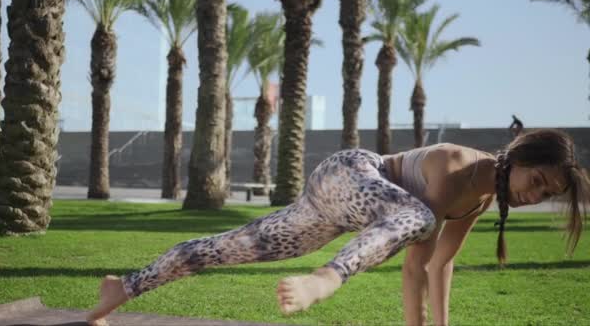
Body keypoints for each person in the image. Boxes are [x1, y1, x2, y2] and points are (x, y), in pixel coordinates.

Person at [86, 129, 588, 326]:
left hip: (330, 215)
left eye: (546, 195)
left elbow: (440, 265)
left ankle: (122, 288)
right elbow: (415, 256)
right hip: (349, 172)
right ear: (518, 158)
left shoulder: (477, 200)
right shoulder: (457, 164)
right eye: (537, 180)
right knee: (419, 217)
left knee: (225, 249)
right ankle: (326, 279)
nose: (535, 195)